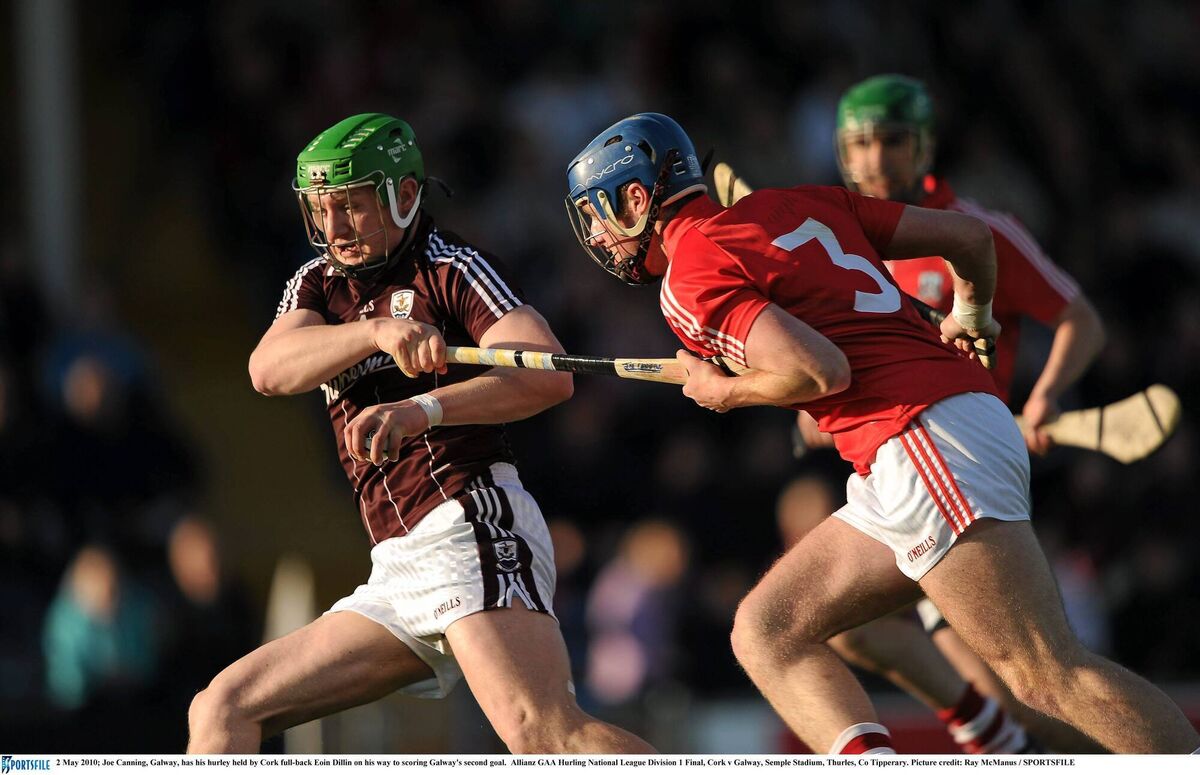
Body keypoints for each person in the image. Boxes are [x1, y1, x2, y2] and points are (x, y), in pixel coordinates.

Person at [563, 111, 1200, 755]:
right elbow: (969, 238)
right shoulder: (799, 201)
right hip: (925, 440)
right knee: (768, 629)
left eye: (596, 214)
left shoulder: (688, 276)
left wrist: (724, 389)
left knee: (1044, 674)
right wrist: (969, 314)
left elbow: (820, 370)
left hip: (923, 441)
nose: (596, 233)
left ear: (636, 198)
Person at [187, 113, 654, 754]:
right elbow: (268, 370)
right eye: (323, 210)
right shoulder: (317, 283)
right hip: (398, 561)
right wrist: (375, 334)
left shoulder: (449, 268)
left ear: (405, 197)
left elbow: (547, 373)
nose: (334, 229)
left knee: (544, 733)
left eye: (352, 207)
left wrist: (422, 410)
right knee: (223, 709)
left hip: (469, 520)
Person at [726, 75, 1108, 753]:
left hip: (960, 465)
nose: (875, 160)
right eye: (860, 144)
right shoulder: (842, 245)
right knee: (829, 623)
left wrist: (1046, 393)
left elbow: (1079, 319)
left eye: (893, 141)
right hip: (895, 468)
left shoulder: (974, 233)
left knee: (1039, 689)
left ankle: (1014, 740)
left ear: (925, 145)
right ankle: (994, 740)